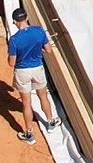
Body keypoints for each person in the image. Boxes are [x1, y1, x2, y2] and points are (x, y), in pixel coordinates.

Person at [4, 16, 56, 144]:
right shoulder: (39, 31)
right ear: (27, 18)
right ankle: (51, 122)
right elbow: (49, 50)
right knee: (43, 96)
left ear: (15, 21)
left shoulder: (14, 39)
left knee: (26, 103)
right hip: (38, 69)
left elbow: (12, 63)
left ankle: (29, 134)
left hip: (22, 72)